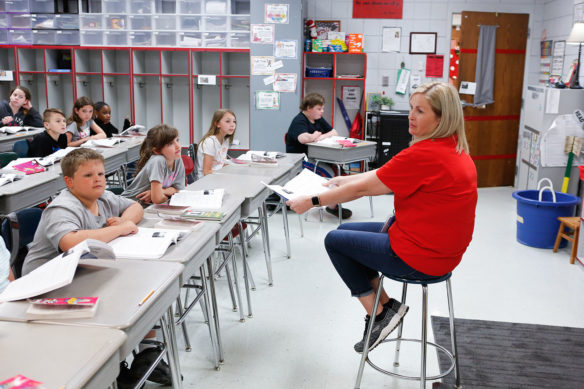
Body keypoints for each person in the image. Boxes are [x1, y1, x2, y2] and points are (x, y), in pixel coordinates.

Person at [287, 82, 478, 354]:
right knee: (350, 235)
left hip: (422, 258)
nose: (411, 115)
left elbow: (366, 188)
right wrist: (343, 179)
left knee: (335, 241)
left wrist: (312, 201)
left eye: (420, 111)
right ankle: (386, 307)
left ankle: (380, 314)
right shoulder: (452, 149)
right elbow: (383, 175)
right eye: (411, 108)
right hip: (441, 250)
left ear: (441, 118)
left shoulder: (425, 155)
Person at [21, 148, 144, 275]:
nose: (97, 179)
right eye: (88, 175)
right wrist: (120, 229)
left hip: (78, 270)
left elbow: (135, 206)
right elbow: (70, 242)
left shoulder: (103, 196)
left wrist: (123, 221)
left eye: (101, 174)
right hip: (44, 278)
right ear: (69, 181)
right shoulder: (62, 207)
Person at [286, 92, 351, 219]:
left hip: (316, 157)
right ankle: (331, 206)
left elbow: (334, 132)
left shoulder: (317, 119)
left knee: (338, 171)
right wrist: (313, 136)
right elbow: (303, 139)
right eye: (319, 109)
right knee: (330, 175)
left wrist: (320, 136)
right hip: (301, 160)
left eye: (322, 108)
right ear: (309, 108)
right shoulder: (299, 121)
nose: (322, 111)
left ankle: (333, 201)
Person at [122, 124, 185, 205]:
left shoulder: (177, 159)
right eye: (170, 144)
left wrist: (161, 192)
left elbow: (179, 190)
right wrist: (169, 195)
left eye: (177, 140)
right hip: (127, 206)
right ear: (157, 151)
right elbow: (158, 199)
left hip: (147, 206)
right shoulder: (158, 161)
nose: (177, 146)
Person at [196, 109, 236, 177]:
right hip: (206, 180)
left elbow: (222, 164)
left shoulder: (225, 141)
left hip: (218, 176)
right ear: (217, 124)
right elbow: (207, 172)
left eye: (234, 121)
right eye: (227, 121)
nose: (232, 125)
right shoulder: (210, 142)